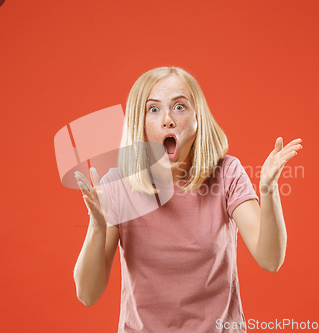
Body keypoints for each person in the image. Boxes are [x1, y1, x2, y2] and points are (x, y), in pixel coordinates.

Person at [73, 66, 303, 333]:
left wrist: (269, 190)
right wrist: (98, 225)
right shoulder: (119, 185)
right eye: (154, 109)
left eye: (179, 107)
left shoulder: (226, 173)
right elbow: (87, 294)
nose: (168, 119)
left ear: (198, 117)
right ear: (140, 123)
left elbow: (270, 259)